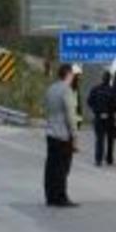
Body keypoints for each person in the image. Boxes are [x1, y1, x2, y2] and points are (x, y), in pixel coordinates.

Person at [44, 64, 80, 208]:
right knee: (62, 168)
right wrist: (75, 136)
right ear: (68, 74)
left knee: (50, 167)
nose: (73, 77)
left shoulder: (51, 89)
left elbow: (47, 109)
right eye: (72, 74)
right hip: (63, 135)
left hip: (51, 133)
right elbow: (70, 116)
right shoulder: (67, 90)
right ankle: (61, 197)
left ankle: (50, 196)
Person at [87, 71, 116, 166]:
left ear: (102, 78)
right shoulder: (112, 91)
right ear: (110, 79)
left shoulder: (95, 89)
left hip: (98, 117)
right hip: (110, 117)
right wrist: (112, 111)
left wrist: (95, 110)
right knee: (110, 139)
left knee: (99, 139)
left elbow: (89, 101)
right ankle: (109, 158)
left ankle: (98, 159)